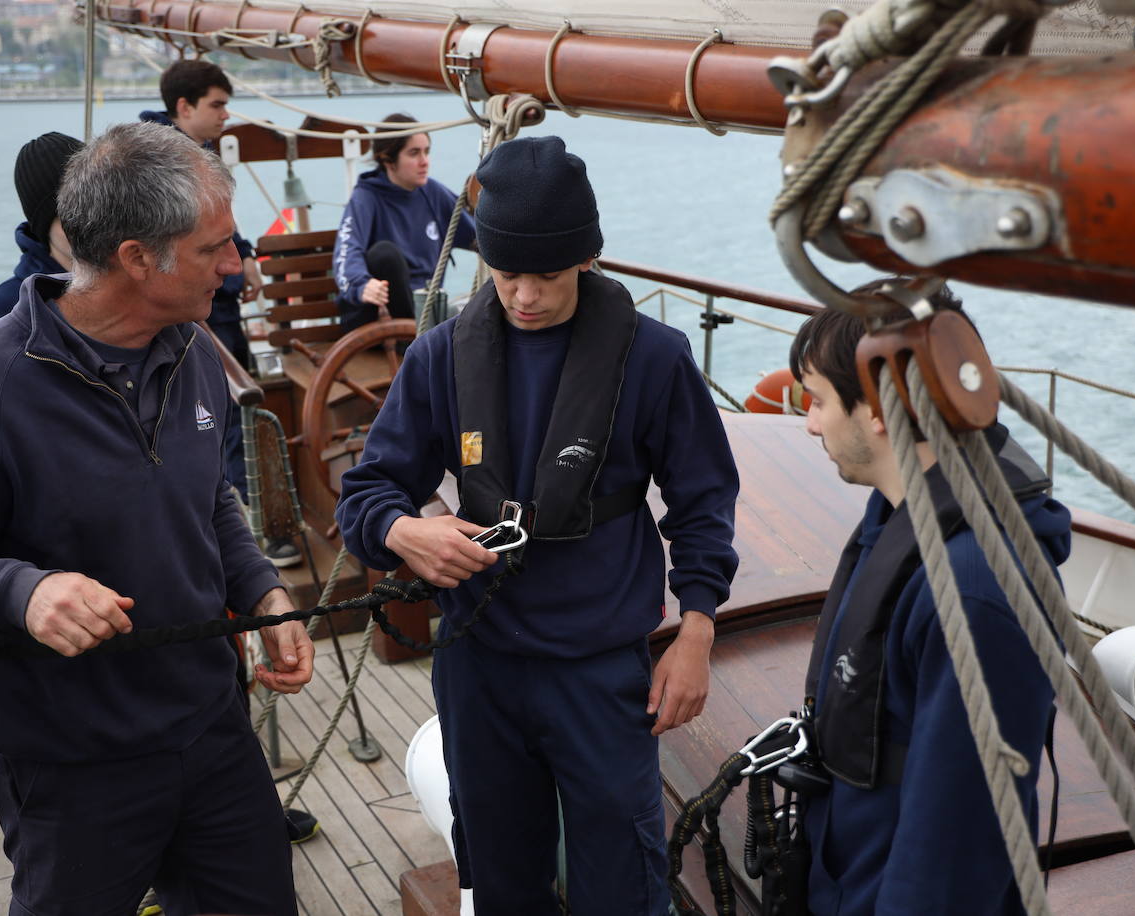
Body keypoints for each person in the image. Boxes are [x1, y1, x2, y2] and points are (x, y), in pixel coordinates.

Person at [0, 121, 314, 916]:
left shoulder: (196, 351)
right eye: (215, 249)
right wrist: (21, 595)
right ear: (140, 258)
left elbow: (210, 499)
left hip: (212, 733)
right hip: (73, 772)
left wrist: (264, 594)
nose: (236, 265)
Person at [335, 135, 739, 915]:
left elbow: (702, 501)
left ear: (588, 259)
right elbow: (368, 493)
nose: (523, 294)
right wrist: (403, 533)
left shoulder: (653, 359)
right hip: (478, 665)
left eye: (547, 274)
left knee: (621, 878)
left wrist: (696, 633)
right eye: (505, 270)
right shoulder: (442, 356)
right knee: (497, 873)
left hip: (600, 669)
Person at [788, 287, 1071, 914]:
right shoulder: (896, 519)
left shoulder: (973, 590)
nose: (809, 423)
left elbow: (956, 848)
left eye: (820, 401)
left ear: (883, 412)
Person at [142, 58, 301, 567]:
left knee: (228, 411)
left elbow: (218, 225)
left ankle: (245, 523)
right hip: (189, 318)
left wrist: (246, 255)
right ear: (183, 107)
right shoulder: (157, 164)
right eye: (217, 104)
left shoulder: (196, 154)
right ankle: (256, 529)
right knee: (220, 412)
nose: (226, 115)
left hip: (220, 305)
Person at [332, 112, 477, 333]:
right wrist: (361, 284)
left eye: (427, 152)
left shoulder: (433, 194)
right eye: (414, 153)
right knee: (385, 254)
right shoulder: (366, 197)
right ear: (388, 159)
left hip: (425, 311)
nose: (424, 161)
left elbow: (480, 238)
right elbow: (346, 251)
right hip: (377, 316)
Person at [0, 131, 82, 330]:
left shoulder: (138, 279)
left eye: (96, 206)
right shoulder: (6, 305)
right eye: (70, 214)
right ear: (42, 226)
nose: (88, 220)